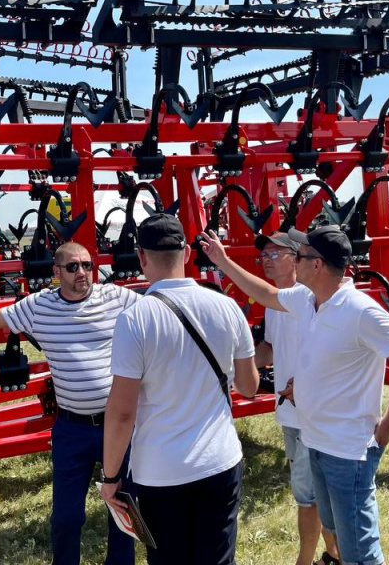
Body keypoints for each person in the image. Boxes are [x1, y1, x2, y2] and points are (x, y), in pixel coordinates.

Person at [199, 225, 389, 565]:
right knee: (336, 529)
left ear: (317, 264)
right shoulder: (307, 300)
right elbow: (264, 293)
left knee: (360, 552)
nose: (295, 262)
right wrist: (223, 260)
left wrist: (388, 424)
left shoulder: (360, 311)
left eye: (300, 257)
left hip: (348, 450)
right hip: (316, 442)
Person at [0, 241, 139, 565]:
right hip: (72, 428)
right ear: (56, 272)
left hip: (118, 424)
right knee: (66, 519)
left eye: (87, 265)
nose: (82, 272)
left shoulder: (115, 297)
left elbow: (159, 310)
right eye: (73, 267)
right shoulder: (39, 306)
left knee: (124, 507)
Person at [102, 214, 258, 565]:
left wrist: (111, 477)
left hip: (160, 471)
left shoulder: (135, 319)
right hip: (220, 460)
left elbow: (123, 413)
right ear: (187, 253)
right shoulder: (227, 307)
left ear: (141, 257)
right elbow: (248, 387)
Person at [252, 232, 340, 565]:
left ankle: (309, 560)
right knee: (314, 493)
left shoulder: (312, 299)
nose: (267, 259)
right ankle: (333, 555)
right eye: (264, 254)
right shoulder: (277, 302)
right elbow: (271, 350)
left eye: (276, 253)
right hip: (290, 413)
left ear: (298, 257)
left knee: (310, 496)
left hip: (310, 413)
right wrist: (235, 359)